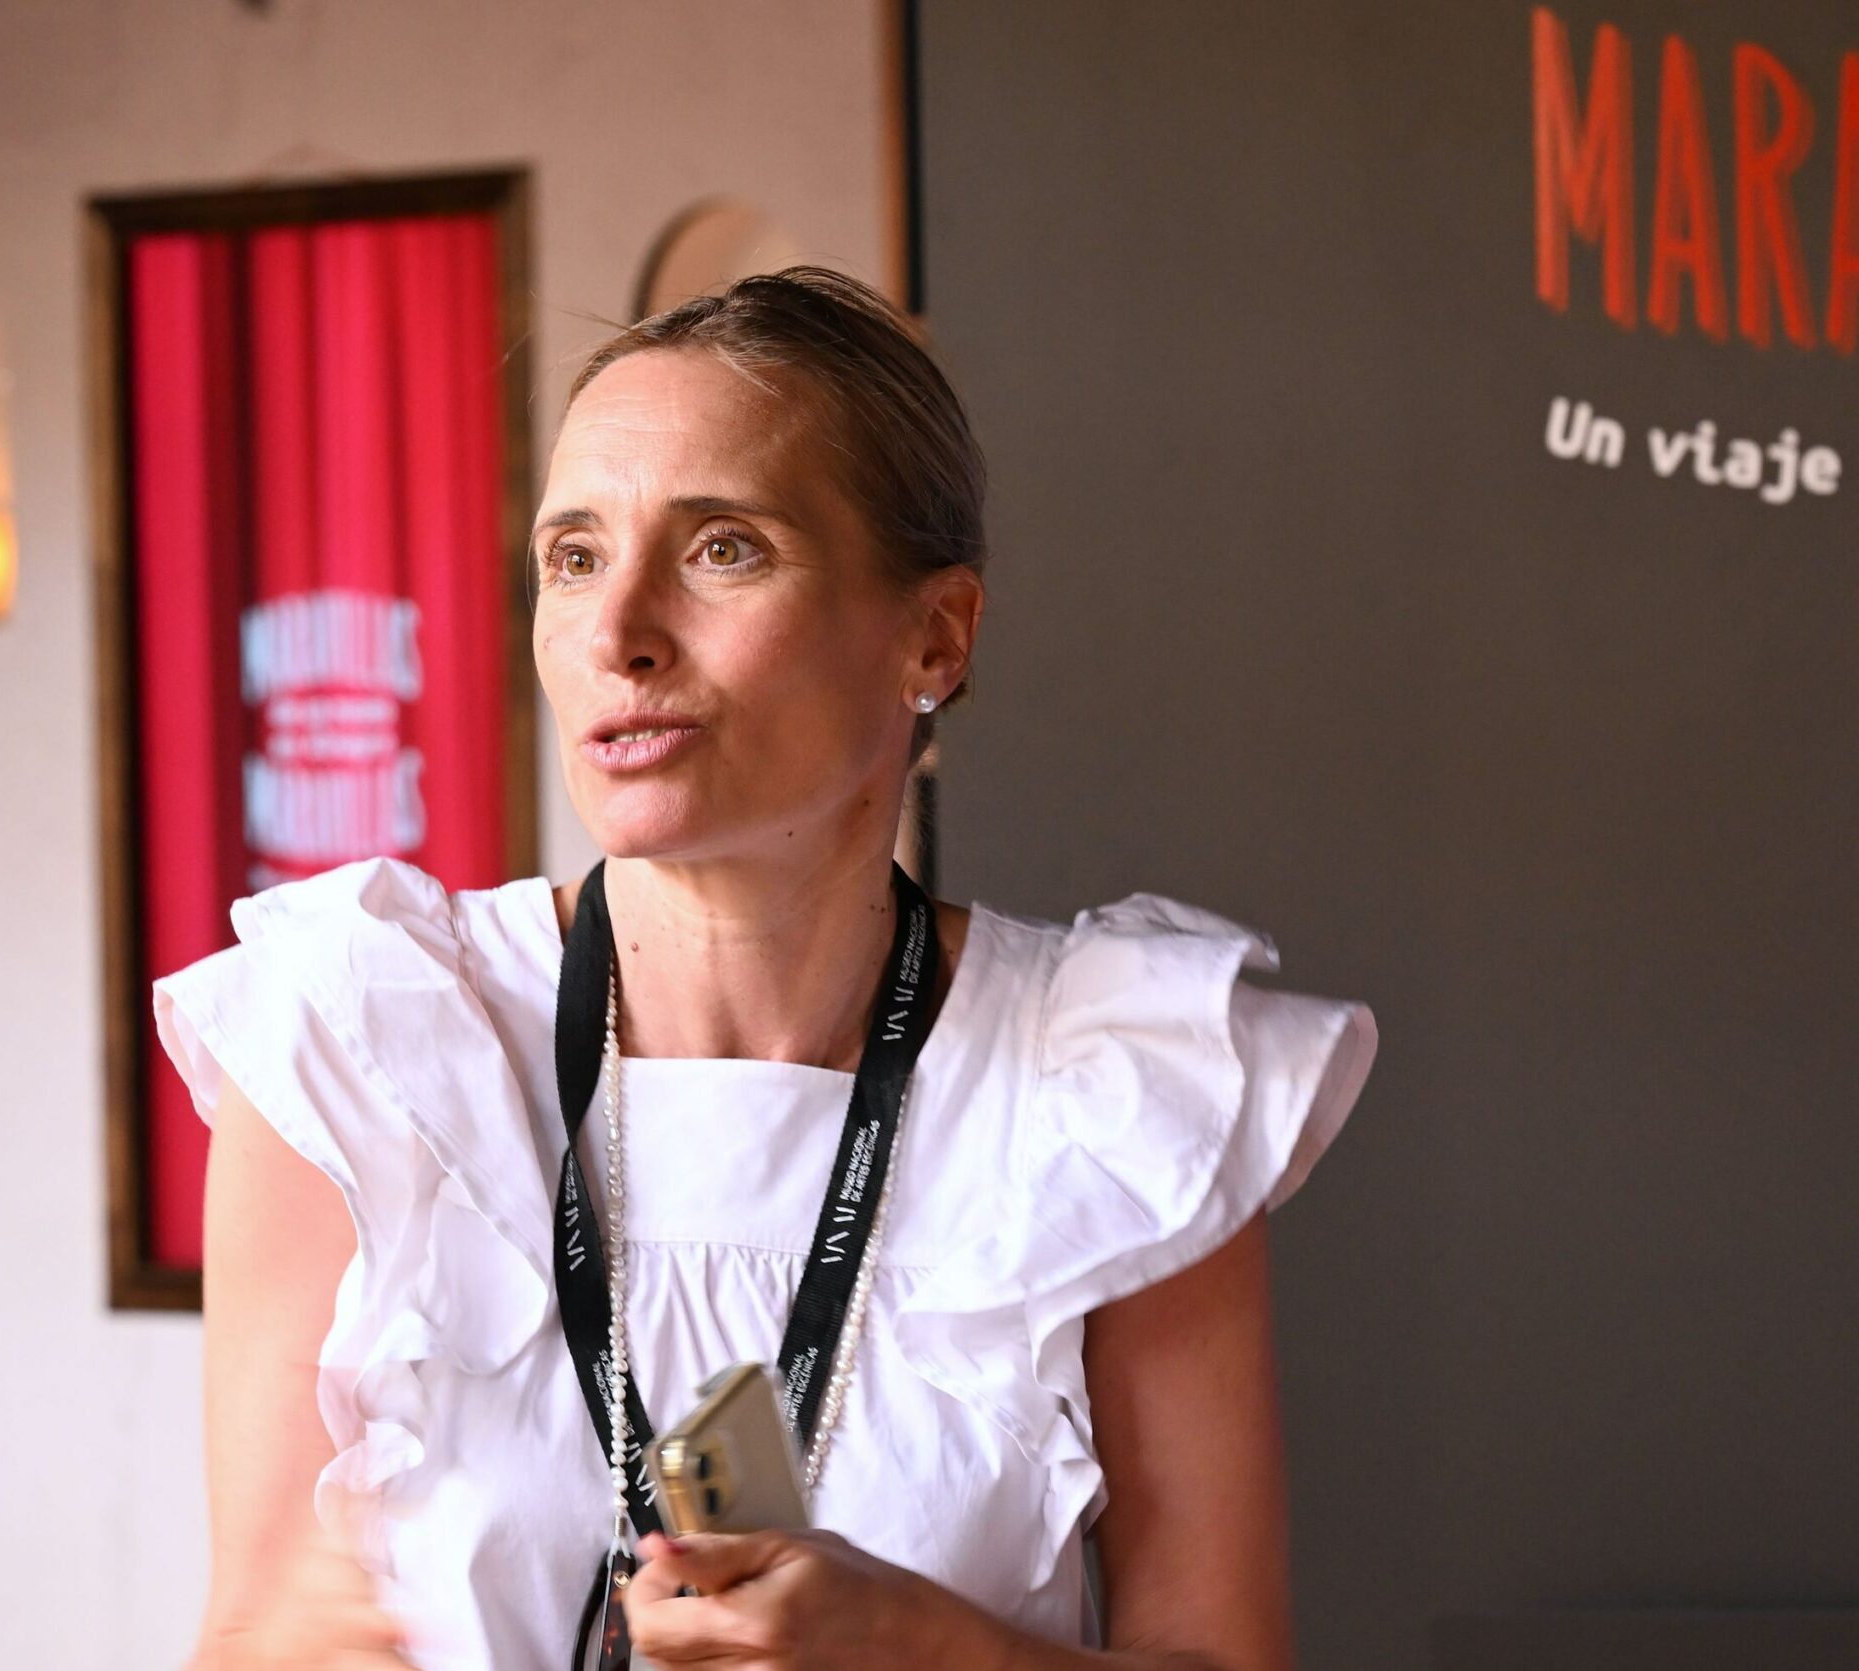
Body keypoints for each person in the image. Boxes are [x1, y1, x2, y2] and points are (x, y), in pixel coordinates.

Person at [152, 266, 1378, 1670]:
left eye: (723, 548)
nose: (617, 635)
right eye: (574, 557)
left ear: (936, 635)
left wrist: (930, 1651)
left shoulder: (1111, 1091)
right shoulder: (364, 1040)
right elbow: (256, 1635)